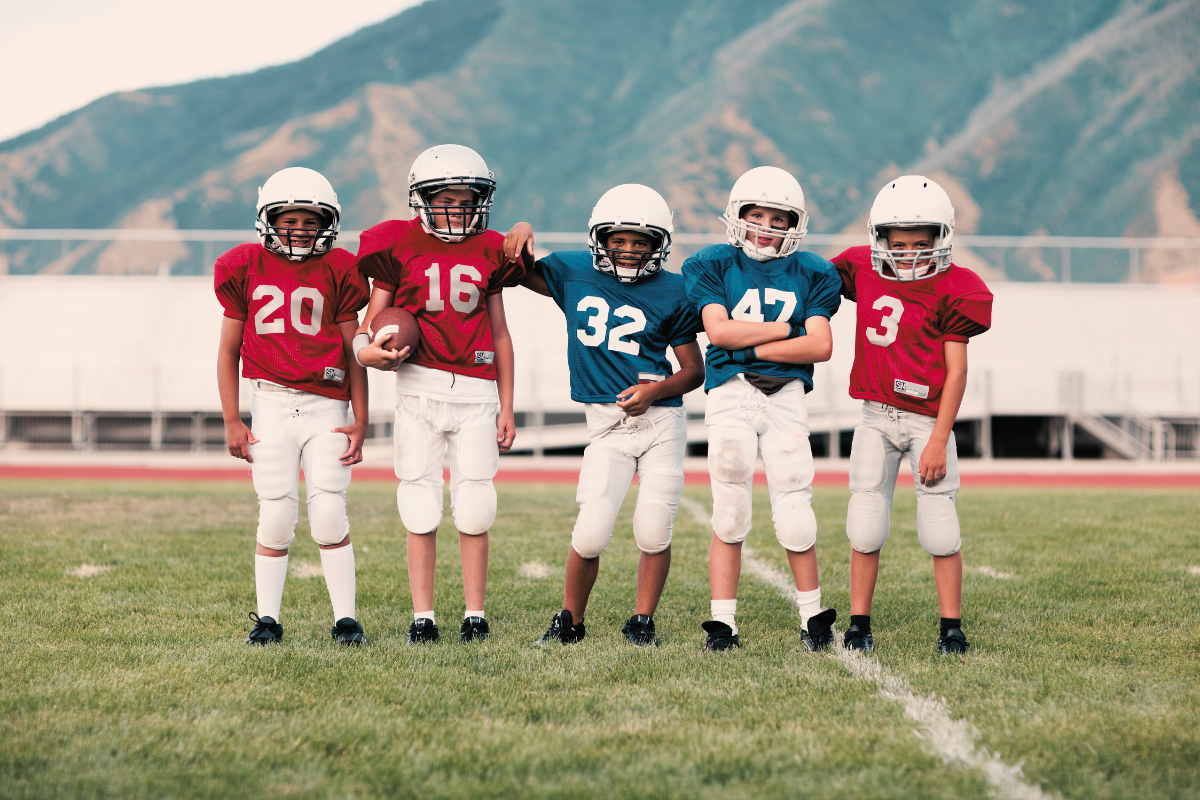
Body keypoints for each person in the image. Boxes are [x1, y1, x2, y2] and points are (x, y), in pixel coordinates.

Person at [503, 185, 704, 647]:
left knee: (653, 529)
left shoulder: (674, 289)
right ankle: (569, 621)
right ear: (599, 238)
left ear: (660, 245)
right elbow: (513, 270)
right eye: (619, 239)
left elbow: (694, 371)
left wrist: (656, 391)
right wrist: (522, 229)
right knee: (591, 533)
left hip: (660, 422)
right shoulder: (572, 270)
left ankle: (642, 622)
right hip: (606, 425)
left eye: (641, 242)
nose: (629, 250)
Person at [354, 144, 523, 644]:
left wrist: (507, 404)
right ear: (421, 200)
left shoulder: (492, 248)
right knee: (419, 503)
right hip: (417, 388)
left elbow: (501, 334)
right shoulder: (395, 244)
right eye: (444, 199)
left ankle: (475, 614)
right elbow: (369, 324)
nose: (456, 209)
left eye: (465, 200)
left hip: (476, 391)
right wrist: (365, 354)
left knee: (475, 503)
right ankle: (422, 616)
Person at [830, 175, 992, 655]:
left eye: (921, 244)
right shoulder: (860, 266)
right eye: (898, 244)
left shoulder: (958, 287)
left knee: (941, 528)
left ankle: (951, 627)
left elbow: (956, 372)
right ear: (879, 239)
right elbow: (813, 280)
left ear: (940, 239)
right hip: (875, 415)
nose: (909, 254)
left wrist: (940, 437)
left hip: (926, 421)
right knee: (865, 523)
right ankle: (859, 623)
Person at [681, 166, 841, 652]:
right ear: (738, 216)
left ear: (794, 224)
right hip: (730, 390)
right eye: (757, 215)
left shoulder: (813, 270)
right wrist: (788, 332)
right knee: (730, 504)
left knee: (795, 501)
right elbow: (720, 333)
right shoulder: (713, 263)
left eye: (778, 218)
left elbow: (822, 346)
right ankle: (722, 622)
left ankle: (812, 616)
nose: (767, 226)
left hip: (786, 393)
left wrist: (748, 342)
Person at [215, 166, 370, 647]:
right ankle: (267, 619)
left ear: (328, 224)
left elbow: (354, 351)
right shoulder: (243, 265)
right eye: (290, 220)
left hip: (327, 405)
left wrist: (361, 419)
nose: (300, 230)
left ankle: (346, 620)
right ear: (268, 220)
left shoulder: (340, 268)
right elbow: (227, 351)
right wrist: (232, 419)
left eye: (310, 222)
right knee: (276, 513)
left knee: (328, 511)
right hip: (270, 403)